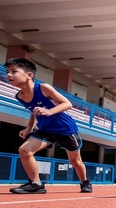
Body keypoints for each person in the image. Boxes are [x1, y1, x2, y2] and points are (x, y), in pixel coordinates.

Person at [5, 58, 92, 194]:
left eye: (14, 71)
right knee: (24, 150)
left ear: (29, 75)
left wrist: (49, 111)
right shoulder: (20, 96)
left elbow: (67, 104)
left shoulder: (43, 88)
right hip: (45, 130)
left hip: (66, 130)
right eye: (7, 72)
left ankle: (85, 182)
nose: (9, 75)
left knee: (75, 162)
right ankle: (36, 184)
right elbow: (33, 111)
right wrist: (29, 127)